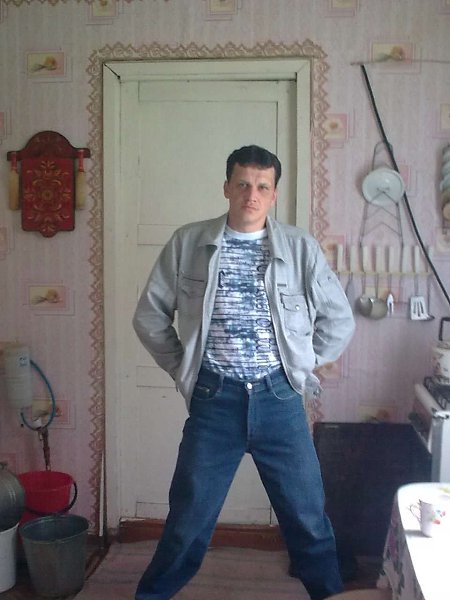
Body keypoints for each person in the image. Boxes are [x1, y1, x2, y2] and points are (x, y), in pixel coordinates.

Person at [132, 144, 355, 600]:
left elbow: (339, 320)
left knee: (308, 519)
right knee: (187, 520)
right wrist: (183, 367)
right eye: (243, 184)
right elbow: (149, 317)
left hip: (280, 400)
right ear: (227, 188)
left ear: (274, 194)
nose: (252, 194)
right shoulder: (188, 243)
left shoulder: (300, 248)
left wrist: (300, 365)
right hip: (215, 401)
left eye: (262, 186)